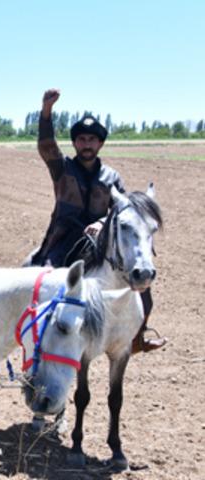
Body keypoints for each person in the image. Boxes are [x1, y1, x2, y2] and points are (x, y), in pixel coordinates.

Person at [31, 88, 165, 353]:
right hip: (65, 239)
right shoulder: (62, 168)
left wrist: (103, 223)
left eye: (92, 139)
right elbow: (47, 146)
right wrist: (46, 111)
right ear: (75, 143)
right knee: (44, 282)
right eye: (81, 139)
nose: (87, 144)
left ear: (100, 143)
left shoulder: (112, 177)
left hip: (102, 242)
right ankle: (40, 339)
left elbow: (125, 209)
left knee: (142, 287)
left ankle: (137, 337)